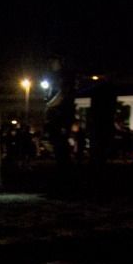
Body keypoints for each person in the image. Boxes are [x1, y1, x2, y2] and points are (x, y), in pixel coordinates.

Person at [40, 55, 77, 183]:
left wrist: (49, 105)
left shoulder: (65, 76)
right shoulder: (52, 77)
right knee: (58, 148)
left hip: (62, 116)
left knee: (62, 148)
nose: (51, 63)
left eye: (54, 60)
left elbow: (62, 94)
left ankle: (66, 180)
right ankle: (63, 178)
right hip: (55, 116)